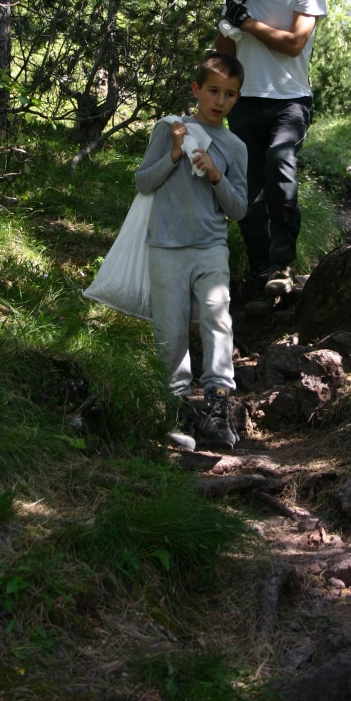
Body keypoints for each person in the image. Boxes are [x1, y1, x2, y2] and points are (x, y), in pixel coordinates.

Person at [134, 52, 248, 451]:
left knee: (218, 321)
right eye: (213, 91)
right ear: (196, 90)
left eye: (230, 94)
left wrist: (217, 176)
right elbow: (143, 182)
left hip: (211, 246)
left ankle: (218, 408)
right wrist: (176, 153)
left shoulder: (235, 147)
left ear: (237, 98)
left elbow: (238, 209)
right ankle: (176, 408)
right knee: (170, 331)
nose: (220, 101)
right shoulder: (171, 129)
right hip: (165, 246)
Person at [215, 0, 327, 315]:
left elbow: (294, 44)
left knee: (280, 161)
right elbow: (223, 57)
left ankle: (283, 263)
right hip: (246, 102)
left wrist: (247, 21)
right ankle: (263, 274)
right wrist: (230, 15)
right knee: (248, 190)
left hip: (290, 100)